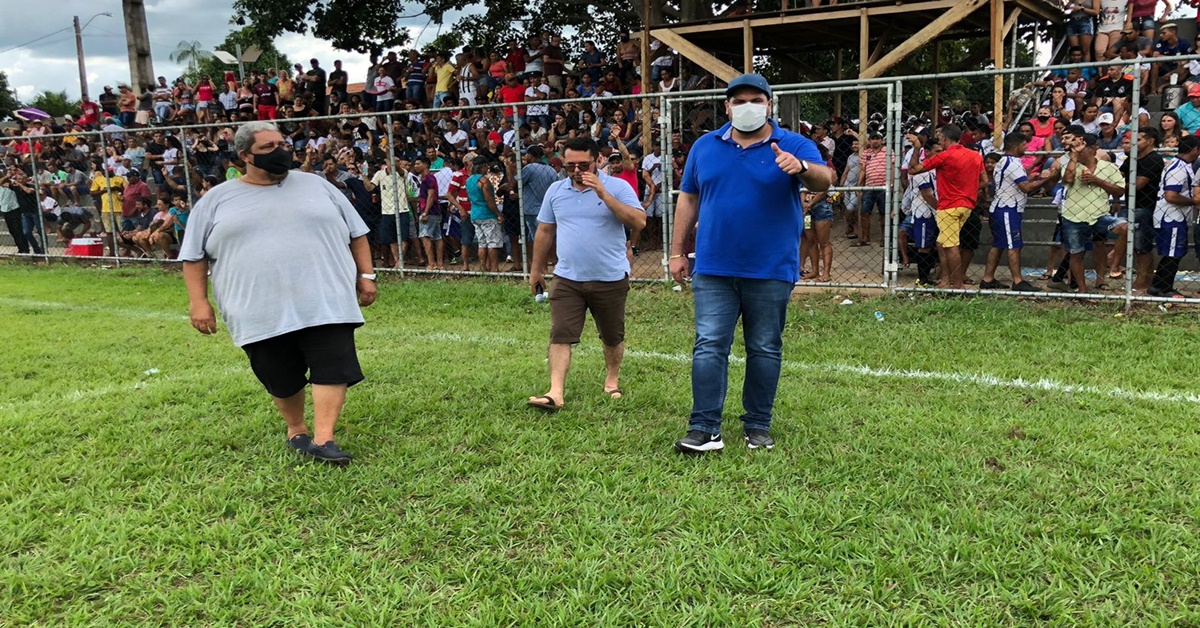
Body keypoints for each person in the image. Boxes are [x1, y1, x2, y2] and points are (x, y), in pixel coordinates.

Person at [180, 121, 377, 465]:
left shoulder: (317, 185)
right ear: (244, 156)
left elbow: (356, 233)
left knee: (332, 364)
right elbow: (193, 256)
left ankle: (324, 438)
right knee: (279, 373)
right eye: (268, 148)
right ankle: (296, 428)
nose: (280, 152)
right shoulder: (217, 200)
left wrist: (367, 276)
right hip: (257, 306)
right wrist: (199, 302)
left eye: (282, 144)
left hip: (326, 297)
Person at [668, 74, 834, 454]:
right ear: (726, 106)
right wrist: (678, 251)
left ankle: (757, 425)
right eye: (738, 100)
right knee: (709, 345)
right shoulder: (705, 146)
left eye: (755, 99)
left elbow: (824, 178)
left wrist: (801, 168)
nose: (747, 106)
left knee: (764, 347)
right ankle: (705, 428)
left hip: (770, 267)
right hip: (713, 266)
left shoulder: (791, 143)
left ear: (769, 104)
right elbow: (688, 199)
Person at [526, 137, 644, 413]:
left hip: (610, 276)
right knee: (560, 334)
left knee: (612, 335)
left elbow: (638, 221)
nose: (578, 171)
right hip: (567, 277)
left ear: (598, 161)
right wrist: (536, 269)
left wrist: (603, 193)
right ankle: (555, 392)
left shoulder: (618, 186)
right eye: (571, 166)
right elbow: (545, 230)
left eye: (584, 165)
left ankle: (611, 381)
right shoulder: (556, 191)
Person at [907, 124, 985, 290]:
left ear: (944, 138)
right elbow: (984, 180)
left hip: (948, 205)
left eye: (940, 137)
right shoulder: (975, 155)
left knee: (951, 246)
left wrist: (917, 147)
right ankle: (945, 281)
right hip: (967, 204)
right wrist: (968, 189)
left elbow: (913, 169)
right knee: (942, 243)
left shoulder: (944, 156)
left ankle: (957, 285)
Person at [1060, 133, 1129, 293]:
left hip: (1099, 215)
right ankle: (1082, 289)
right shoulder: (1071, 164)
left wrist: (1097, 180)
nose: (1077, 151)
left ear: (1093, 149)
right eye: (1074, 149)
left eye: (1081, 148)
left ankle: (1111, 269)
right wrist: (1075, 156)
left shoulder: (1109, 167)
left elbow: (1119, 191)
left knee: (1125, 229)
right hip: (1074, 215)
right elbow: (1068, 180)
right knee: (1076, 252)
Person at [980, 133, 1045, 292]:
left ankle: (988, 278)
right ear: (1016, 146)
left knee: (998, 244)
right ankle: (1017, 280)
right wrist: (1045, 179)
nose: (1026, 148)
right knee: (1013, 245)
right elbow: (1025, 188)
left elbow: (1014, 183)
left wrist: (1031, 178)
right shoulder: (1014, 163)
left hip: (1000, 207)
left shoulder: (1002, 160)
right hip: (1008, 209)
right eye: (1024, 145)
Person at [1150, 134, 1200, 298]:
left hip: (1175, 216)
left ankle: (1161, 285)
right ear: (1195, 150)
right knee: (1173, 253)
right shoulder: (1178, 168)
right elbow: (1171, 196)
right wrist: (1193, 201)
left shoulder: (1182, 165)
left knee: (1176, 252)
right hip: (1171, 216)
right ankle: (1162, 287)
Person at [1121, 127, 1164, 293]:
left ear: (1150, 141)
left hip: (1146, 206)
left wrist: (1117, 187)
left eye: (1138, 139)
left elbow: (1137, 186)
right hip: (1133, 205)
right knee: (1139, 247)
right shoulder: (1132, 158)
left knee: (1142, 247)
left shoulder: (1153, 159)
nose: (1134, 143)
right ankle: (1147, 280)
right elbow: (1119, 177)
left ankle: (1142, 282)